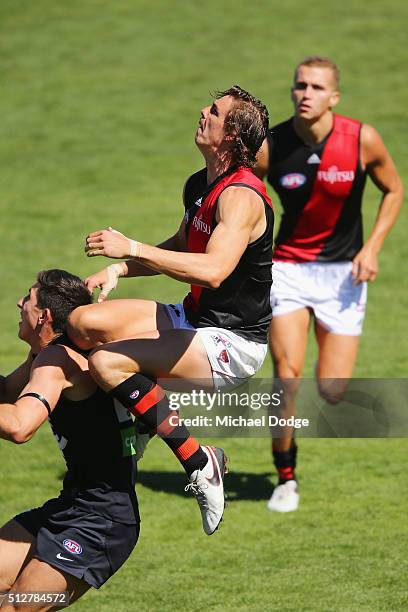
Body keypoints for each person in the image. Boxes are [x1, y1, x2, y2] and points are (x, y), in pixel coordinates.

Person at [67, 85, 274, 534]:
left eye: (215, 112)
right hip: (194, 318)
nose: (203, 111)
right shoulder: (201, 184)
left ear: (232, 135)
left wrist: (133, 245)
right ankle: (144, 420)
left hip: (231, 342)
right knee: (83, 323)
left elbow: (214, 271)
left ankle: (200, 462)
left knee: (107, 361)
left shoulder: (243, 198)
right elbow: (182, 247)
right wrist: (120, 268)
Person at [255, 56, 403, 512]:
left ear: (334, 97)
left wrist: (372, 246)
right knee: (287, 377)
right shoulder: (272, 144)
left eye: (317, 87)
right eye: (300, 85)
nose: (306, 93)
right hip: (289, 269)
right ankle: (286, 477)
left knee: (332, 390)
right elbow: (249, 199)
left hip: (343, 275)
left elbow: (394, 190)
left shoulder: (361, 139)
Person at [0, 270, 140, 610]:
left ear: (44, 316)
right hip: (72, 504)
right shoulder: (50, 353)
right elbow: (5, 391)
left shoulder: (58, 362)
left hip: (102, 521)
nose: (20, 303)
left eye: (28, 300)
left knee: (17, 607)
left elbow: (20, 426)